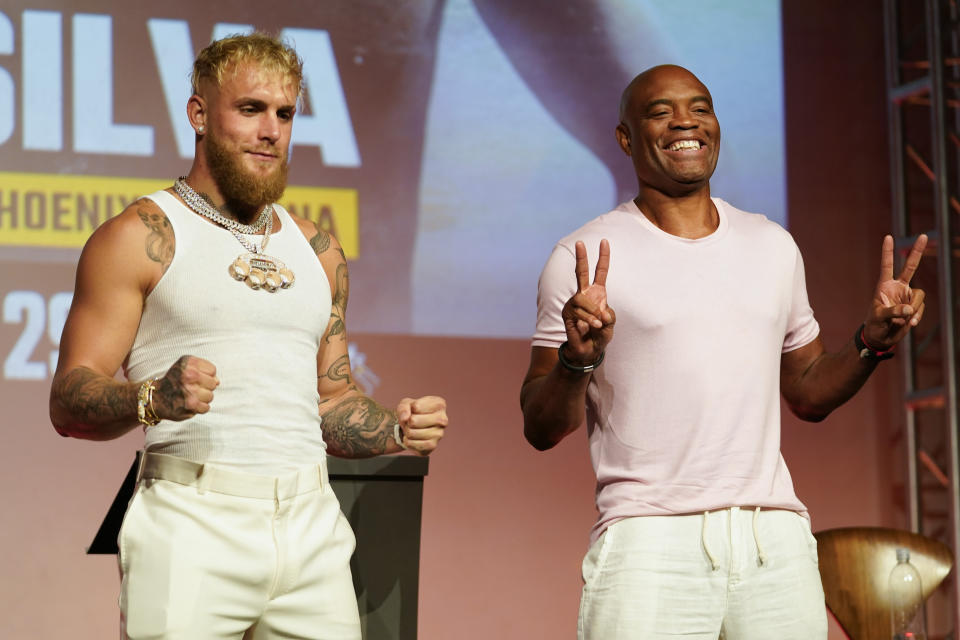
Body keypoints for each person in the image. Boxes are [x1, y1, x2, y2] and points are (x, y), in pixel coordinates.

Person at [48, 33, 448, 640]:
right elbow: (69, 401)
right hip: (191, 525)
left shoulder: (318, 250)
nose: (271, 131)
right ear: (199, 115)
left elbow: (332, 403)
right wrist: (153, 397)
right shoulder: (139, 235)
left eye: (285, 114)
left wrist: (393, 427)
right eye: (251, 109)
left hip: (312, 527)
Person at [519, 64, 926, 639]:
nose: (685, 121)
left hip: (773, 538)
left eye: (700, 107)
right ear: (625, 138)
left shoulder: (772, 244)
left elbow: (808, 391)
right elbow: (540, 425)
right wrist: (577, 360)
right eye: (661, 112)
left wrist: (869, 344)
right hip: (649, 539)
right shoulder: (582, 254)